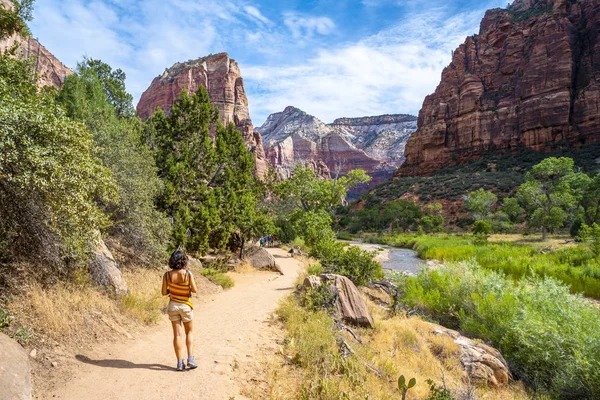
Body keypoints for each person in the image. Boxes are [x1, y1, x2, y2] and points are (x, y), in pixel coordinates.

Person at [162, 249, 198, 371]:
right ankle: (191, 359)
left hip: (173, 306)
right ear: (184, 261)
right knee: (189, 333)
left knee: (177, 334)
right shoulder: (188, 274)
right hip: (186, 306)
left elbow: (163, 292)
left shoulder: (167, 275)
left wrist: (172, 290)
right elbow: (194, 290)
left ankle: (179, 362)